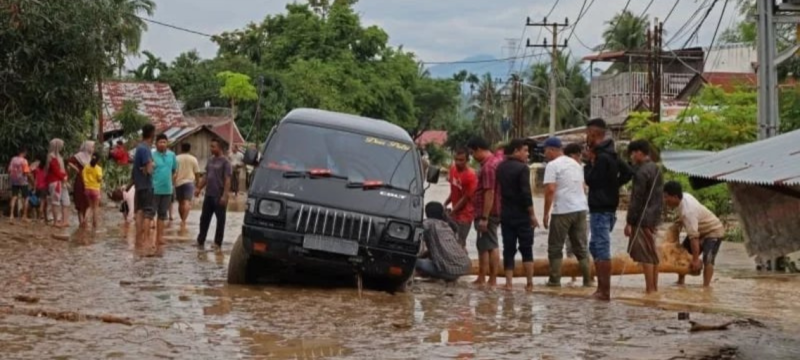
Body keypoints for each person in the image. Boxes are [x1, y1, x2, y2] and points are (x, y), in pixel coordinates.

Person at [584, 118, 633, 300]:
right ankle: (601, 289)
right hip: (608, 208)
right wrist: (613, 185)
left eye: (588, 134)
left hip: (600, 209)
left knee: (601, 248)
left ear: (594, 134)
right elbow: (628, 172)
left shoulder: (601, 157)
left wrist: (589, 163)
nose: (586, 138)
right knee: (595, 246)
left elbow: (591, 180)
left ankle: (604, 291)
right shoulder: (612, 155)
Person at [542, 137, 592, 287]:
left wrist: (546, 213)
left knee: (555, 246)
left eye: (545, 151)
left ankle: (554, 280)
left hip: (563, 210)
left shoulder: (552, 165)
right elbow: (583, 187)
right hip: (581, 209)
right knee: (581, 246)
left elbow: (550, 190)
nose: (545, 154)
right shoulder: (576, 164)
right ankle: (588, 280)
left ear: (552, 150)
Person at [663, 181, 725, 287]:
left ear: (675, 197)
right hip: (699, 228)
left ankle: (706, 288)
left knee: (708, 260)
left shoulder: (688, 212)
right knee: (682, 253)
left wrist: (695, 260)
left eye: (666, 197)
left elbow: (694, 238)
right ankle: (680, 282)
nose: (665, 200)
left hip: (713, 230)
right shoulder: (684, 197)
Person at [496, 139, 539, 291]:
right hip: (522, 215)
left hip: (506, 214)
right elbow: (526, 194)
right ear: (516, 151)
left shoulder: (500, 167)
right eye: (525, 151)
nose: (527, 154)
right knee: (526, 248)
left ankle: (508, 283)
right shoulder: (523, 168)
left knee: (508, 248)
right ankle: (529, 283)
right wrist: (532, 215)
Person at [626, 139, 664, 294]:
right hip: (654, 216)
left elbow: (637, 199)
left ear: (639, 153)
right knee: (652, 252)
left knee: (645, 255)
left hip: (642, 218)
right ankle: (654, 289)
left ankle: (649, 289)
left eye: (633, 153)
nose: (632, 157)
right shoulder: (656, 168)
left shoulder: (641, 172)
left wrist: (629, 221)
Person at [466, 137, 502, 287]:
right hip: (494, 211)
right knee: (486, 244)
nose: (472, 157)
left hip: (487, 213)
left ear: (479, 150)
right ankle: (485, 278)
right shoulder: (496, 162)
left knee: (489, 246)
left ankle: (489, 279)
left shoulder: (488, 167)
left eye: (472, 153)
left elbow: (489, 192)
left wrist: (484, 217)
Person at [416, 202, 472, 282]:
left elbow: (417, 229)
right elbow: (438, 249)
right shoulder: (447, 225)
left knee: (414, 262)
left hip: (447, 271)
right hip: (463, 267)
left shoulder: (429, 223)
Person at [195, 138, 232, 250]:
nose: (211, 148)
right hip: (209, 194)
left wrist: (225, 196)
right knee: (204, 219)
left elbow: (227, 180)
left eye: (213, 147)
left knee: (220, 220)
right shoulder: (210, 160)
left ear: (219, 148)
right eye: (210, 146)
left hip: (219, 195)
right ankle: (200, 240)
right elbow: (206, 176)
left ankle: (217, 243)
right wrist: (199, 188)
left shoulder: (226, 162)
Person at [444, 147, 477, 248]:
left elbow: (465, 198)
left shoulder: (470, 175)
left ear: (467, 160)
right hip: (455, 212)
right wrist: (445, 203)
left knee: (460, 242)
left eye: (461, 160)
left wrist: (453, 211)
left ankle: (462, 257)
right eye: (456, 159)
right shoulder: (453, 169)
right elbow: (454, 190)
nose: (458, 162)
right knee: (452, 241)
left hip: (465, 214)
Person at [133, 124, 156, 249]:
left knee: (140, 212)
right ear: (152, 134)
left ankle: (138, 240)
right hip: (146, 185)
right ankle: (146, 240)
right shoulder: (146, 149)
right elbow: (149, 169)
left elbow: (136, 169)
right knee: (148, 213)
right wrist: (152, 166)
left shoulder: (139, 147)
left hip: (139, 185)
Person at [152, 134, 177, 246]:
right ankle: (148, 238)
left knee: (162, 215)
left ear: (167, 143)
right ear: (156, 143)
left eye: (164, 142)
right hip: (154, 189)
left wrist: (171, 182)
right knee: (150, 214)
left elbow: (174, 170)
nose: (162, 144)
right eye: (160, 142)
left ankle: (159, 238)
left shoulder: (172, 155)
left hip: (167, 190)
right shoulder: (152, 155)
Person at [69, 141, 95, 227]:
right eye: (92, 147)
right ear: (88, 147)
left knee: (86, 203)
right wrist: (76, 169)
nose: (93, 149)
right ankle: (83, 222)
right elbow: (69, 161)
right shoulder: (80, 156)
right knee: (83, 202)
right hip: (82, 180)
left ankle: (83, 223)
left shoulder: (90, 157)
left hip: (87, 180)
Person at [175, 142, 200, 230]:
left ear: (181, 148)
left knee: (180, 202)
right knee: (187, 202)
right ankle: (184, 220)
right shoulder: (193, 159)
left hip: (178, 182)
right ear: (189, 149)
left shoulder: (176, 158)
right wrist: (198, 183)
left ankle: (182, 219)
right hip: (189, 182)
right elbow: (197, 172)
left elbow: (173, 171)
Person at [45, 139, 70, 228]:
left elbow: (62, 169)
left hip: (62, 181)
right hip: (55, 182)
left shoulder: (59, 156)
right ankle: (56, 221)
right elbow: (55, 169)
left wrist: (65, 177)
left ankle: (65, 221)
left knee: (66, 201)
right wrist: (64, 177)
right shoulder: (51, 156)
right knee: (56, 201)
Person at [7, 147, 32, 224]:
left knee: (14, 197)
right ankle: (24, 216)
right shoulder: (24, 161)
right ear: (24, 152)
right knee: (26, 198)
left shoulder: (13, 159)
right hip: (23, 181)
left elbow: (9, 170)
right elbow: (26, 172)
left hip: (14, 181)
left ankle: (11, 215)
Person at [82, 152, 103, 229]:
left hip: (87, 188)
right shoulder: (98, 168)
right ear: (98, 160)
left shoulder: (86, 167)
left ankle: (85, 219)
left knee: (90, 206)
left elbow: (83, 177)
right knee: (95, 208)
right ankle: (95, 224)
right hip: (95, 189)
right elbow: (99, 179)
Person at [31, 157, 49, 222]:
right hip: (44, 188)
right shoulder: (46, 171)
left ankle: (45, 218)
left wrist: (34, 189)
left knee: (41, 203)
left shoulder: (37, 170)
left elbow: (36, 180)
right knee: (43, 203)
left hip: (38, 188)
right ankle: (39, 218)